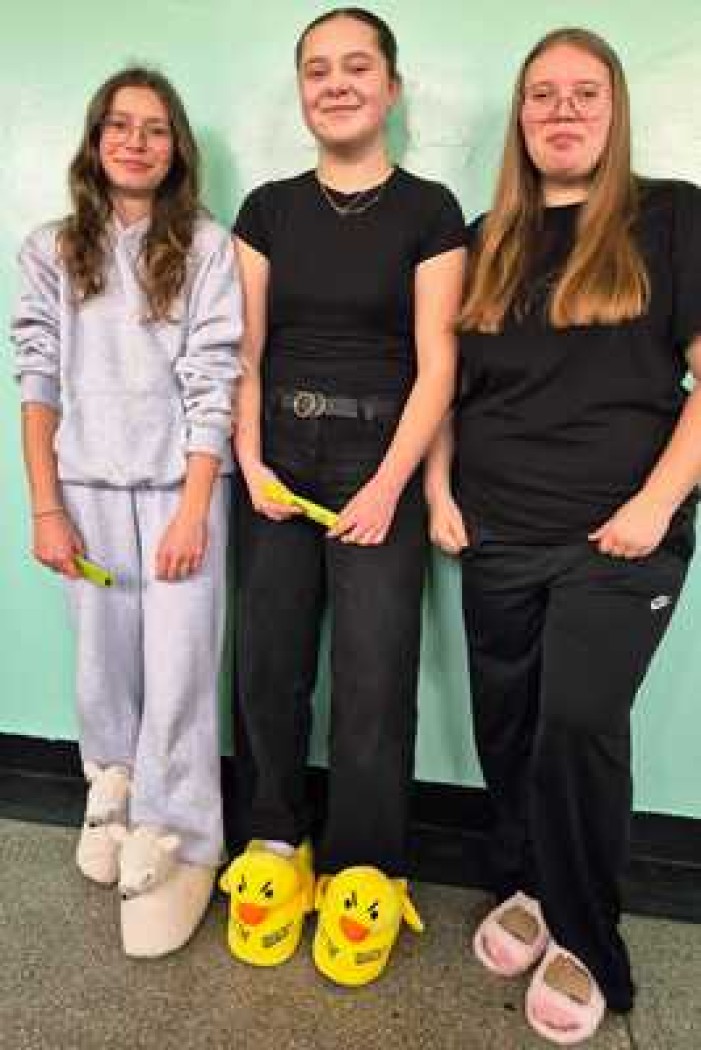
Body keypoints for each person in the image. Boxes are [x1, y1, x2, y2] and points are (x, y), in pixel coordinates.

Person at [426, 25, 701, 1045]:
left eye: (584, 92)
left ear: (613, 108)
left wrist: (655, 504)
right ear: (519, 114)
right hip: (494, 528)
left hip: (619, 536)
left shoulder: (670, 216)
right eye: (541, 93)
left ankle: (587, 936)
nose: (562, 110)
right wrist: (438, 489)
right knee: (507, 721)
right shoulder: (484, 234)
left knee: (577, 725)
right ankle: (530, 885)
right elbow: (447, 384)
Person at [225, 6, 466, 979]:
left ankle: (367, 861)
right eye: (317, 69)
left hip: (382, 456)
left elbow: (438, 364)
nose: (336, 83)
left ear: (390, 87)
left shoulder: (431, 210)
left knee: (373, 672)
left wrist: (389, 485)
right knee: (267, 659)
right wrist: (250, 463)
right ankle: (273, 839)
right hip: (276, 454)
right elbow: (243, 352)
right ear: (301, 90)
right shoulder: (266, 209)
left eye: (356, 66)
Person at [11, 67, 242, 958]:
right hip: (86, 495)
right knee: (102, 662)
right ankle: (113, 788)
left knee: (178, 667)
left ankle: (180, 832)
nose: (135, 141)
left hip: (181, 492)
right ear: (94, 139)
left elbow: (215, 379)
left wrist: (193, 511)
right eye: (119, 124)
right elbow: (36, 380)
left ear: (175, 147)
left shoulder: (207, 248)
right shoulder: (50, 249)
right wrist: (46, 508)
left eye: (154, 128)